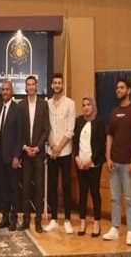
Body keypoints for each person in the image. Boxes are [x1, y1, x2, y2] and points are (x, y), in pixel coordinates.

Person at [103, 77, 131, 245]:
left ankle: (130, 231)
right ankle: (114, 228)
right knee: (114, 198)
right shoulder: (114, 112)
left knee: (129, 199)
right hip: (114, 163)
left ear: (129, 90)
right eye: (117, 88)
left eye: (121, 87)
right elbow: (109, 136)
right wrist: (108, 158)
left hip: (129, 164)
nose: (118, 90)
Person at [17, 76, 50, 234]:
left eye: (33, 84)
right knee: (25, 189)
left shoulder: (44, 105)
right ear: (25, 87)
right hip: (25, 153)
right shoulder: (20, 105)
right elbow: (18, 130)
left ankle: (37, 221)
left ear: (37, 86)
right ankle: (26, 220)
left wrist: (37, 147)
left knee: (38, 188)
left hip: (38, 153)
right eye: (28, 84)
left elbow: (46, 129)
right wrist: (25, 147)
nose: (30, 87)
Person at [44, 73, 75, 234]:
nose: (57, 85)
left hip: (65, 152)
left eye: (59, 83)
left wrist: (59, 148)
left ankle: (67, 220)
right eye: (54, 83)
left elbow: (70, 130)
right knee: (52, 186)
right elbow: (45, 128)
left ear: (62, 85)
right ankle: (54, 219)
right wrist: (52, 146)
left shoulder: (70, 103)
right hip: (51, 152)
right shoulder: (47, 104)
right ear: (51, 85)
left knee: (66, 186)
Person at [0, 81, 22, 231]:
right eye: (3, 89)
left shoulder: (17, 109)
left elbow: (20, 135)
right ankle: (4, 218)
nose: (4, 92)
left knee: (13, 189)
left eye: (7, 89)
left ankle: (13, 219)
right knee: (2, 188)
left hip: (11, 157)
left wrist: (17, 156)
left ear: (12, 91)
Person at [73, 95, 105, 237]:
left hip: (94, 164)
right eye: (84, 105)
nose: (86, 107)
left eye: (88, 104)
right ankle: (82, 222)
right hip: (80, 163)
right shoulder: (79, 121)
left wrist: (90, 160)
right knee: (83, 193)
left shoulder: (99, 121)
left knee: (94, 192)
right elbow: (75, 142)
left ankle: (97, 223)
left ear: (93, 106)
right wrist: (76, 157)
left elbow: (101, 145)